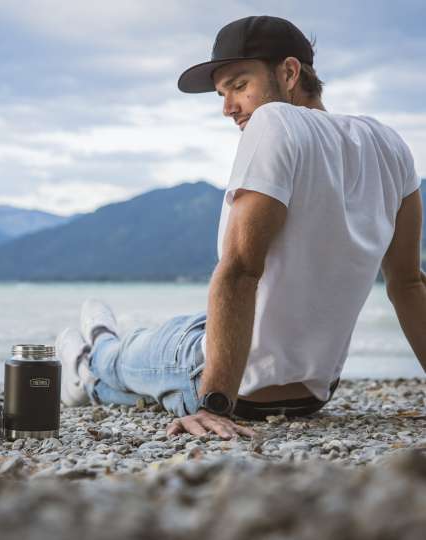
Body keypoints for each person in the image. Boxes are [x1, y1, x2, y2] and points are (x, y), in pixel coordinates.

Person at [55, 15, 425, 439]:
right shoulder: (389, 142)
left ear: (288, 72)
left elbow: (240, 269)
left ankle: (91, 358)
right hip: (312, 396)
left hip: (225, 385)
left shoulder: (275, 123)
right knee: (187, 328)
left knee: (129, 358)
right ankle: (101, 361)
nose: (227, 107)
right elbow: (409, 285)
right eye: (221, 93)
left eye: (238, 85)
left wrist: (214, 404)